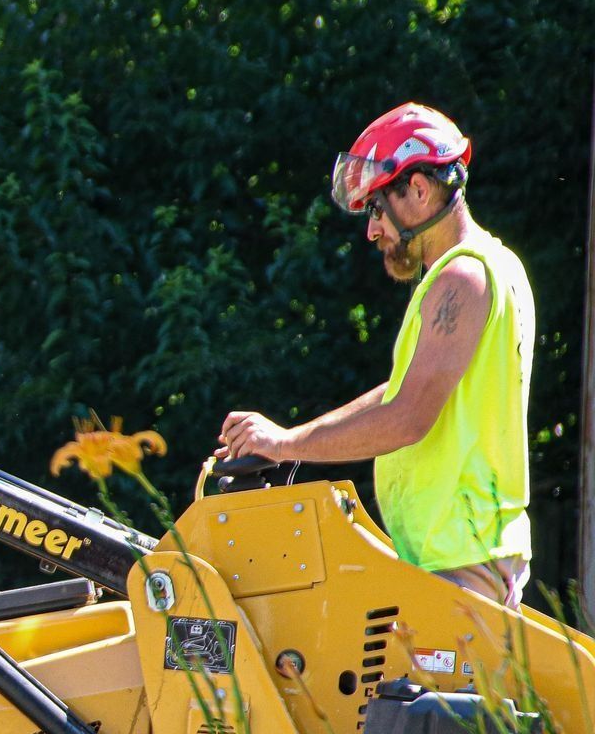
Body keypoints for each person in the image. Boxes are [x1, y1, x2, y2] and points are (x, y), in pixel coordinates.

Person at [217, 103, 534, 608]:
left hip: (461, 561)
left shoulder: (462, 279)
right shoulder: (484, 269)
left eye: (377, 208)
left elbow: (408, 418)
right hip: (454, 557)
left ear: (419, 189)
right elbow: (402, 390)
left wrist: (285, 444)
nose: (372, 229)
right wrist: (286, 440)